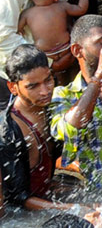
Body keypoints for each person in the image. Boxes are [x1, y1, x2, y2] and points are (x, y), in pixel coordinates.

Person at [49, 14, 102, 190]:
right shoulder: (64, 94)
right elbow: (69, 130)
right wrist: (99, 77)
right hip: (93, 194)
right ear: (77, 50)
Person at [1, 47, 63, 210]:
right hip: (19, 215)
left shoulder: (55, 108)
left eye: (48, 80)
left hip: (46, 198)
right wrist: (75, 209)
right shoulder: (8, 132)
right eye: (33, 86)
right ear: (13, 88)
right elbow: (17, 197)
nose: (45, 91)